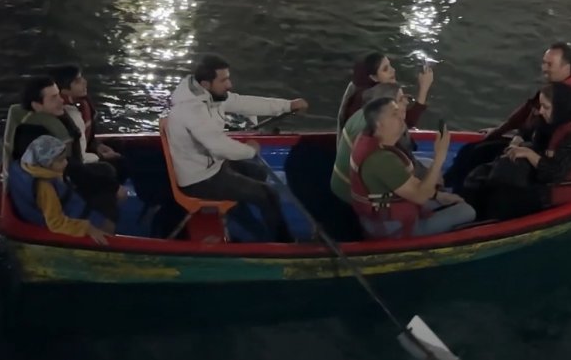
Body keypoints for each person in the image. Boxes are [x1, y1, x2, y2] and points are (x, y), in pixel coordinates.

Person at [166, 54, 308, 242]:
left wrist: (288, 105)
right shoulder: (192, 110)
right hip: (200, 180)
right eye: (223, 80)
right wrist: (250, 151)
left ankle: (240, 217)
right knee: (269, 195)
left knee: (258, 173)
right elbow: (218, 146)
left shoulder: (210, 96)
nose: (229, 85)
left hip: (213, 166)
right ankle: (283, 244)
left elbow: (244, 103)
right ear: (206, 84)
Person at [444, 42, 571, 191]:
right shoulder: (553, 87)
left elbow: (561, 148)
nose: (544, 68)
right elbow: (528, 112)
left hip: (544, 158)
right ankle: (446, 184)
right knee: (472, 150)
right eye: (543, 63)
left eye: (549, 65)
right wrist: (502, 131)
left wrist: (524, 148)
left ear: (566, 67)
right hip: (530, 142)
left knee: (481, 158)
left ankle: (457, 192)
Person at [477, 81, 571, 220]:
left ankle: (488, 220)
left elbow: (554, 173)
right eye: (541, 105)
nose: (540, 111)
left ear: (560, 107)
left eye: (546, 107)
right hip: (541, 174)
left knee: (502, 198)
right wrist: (516, 140)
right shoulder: (552, 119)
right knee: (485, 168)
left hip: (559, 186)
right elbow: (527, 130)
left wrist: (528, 154)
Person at [349, 97, 476, 238]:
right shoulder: (381, 160)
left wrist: (438, 196)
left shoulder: (376, 142)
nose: (402, 117)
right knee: (467, 211)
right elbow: (420, 197)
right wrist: (439, 157)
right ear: (379, 124)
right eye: (394, 114)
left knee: (445, 195)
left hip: (387, 211)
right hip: (391, 228)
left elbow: (411, 183)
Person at [13, 76, 123, 223]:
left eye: (59, 95)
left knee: (106, 169)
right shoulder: (35, 137)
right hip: (55, 190)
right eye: (54, 98)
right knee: (107, 201)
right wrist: (113, 187)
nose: (61, 101)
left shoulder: (50, 121)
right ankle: (104, 228)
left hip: (66, 175)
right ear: (37, 106)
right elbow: (69, 168)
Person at [330, 82, 426, 204]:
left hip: (341, 184)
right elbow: (417, 193)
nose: (407, 102)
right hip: (351, 194)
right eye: (401, 99)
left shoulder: (367, 115)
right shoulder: (381, 137)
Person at [7, 135, 112, 245]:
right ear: (47, 164)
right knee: (109, 226)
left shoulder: (25, 166)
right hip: (70, 218)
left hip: (68, 205)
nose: (66, 163)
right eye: (60, 160)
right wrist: (88, 228)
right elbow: (56, 223)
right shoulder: (44, 187)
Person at [336, 52, 433, 131]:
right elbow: (407, 122)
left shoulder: (361, 89)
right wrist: (424, 88)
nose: (393, 70)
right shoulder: (371, 100)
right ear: (373, 77)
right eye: (385, 69)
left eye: (390, 66)